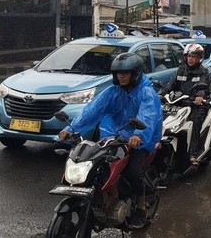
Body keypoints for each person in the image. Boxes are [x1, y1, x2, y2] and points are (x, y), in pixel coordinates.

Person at [58, 53, 162, 229]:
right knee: (96, 165)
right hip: (113, 136)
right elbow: (92, 110)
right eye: (118, 73)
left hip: (142, 139)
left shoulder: (146, 93)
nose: (121, 76)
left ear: (135, 73)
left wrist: (139, 135)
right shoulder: (113, 92)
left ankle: (141, 207)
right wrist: (71, 129)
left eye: (125, 73)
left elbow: (148, 116)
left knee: (133, 172)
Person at [167, 43, 211, 166]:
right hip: (180, 103)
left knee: (196, 120)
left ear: (199, 58)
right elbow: (170, 85)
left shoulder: (204, 71)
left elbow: (204, 87)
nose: (190, 59)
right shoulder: (180, 70)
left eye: (193, 57)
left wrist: (200, 96)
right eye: (189, 56)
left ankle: (193, 153)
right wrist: (161, 94)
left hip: (197, 105)